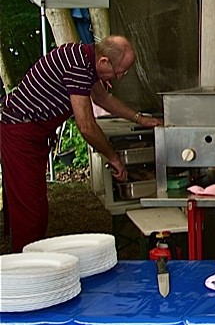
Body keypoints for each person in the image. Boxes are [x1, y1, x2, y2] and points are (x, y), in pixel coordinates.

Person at [0, 35, 163, 252]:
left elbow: (103, 99)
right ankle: (25, 263)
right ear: (104, 61)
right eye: (119, 72)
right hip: (20, 131)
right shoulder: (78, 67)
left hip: (33, 133)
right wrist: (113, 157)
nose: (120, 77)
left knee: (32, 203)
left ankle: (27, 254)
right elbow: (85, 125)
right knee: (29, 211)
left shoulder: (85, 59)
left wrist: (140, 119)